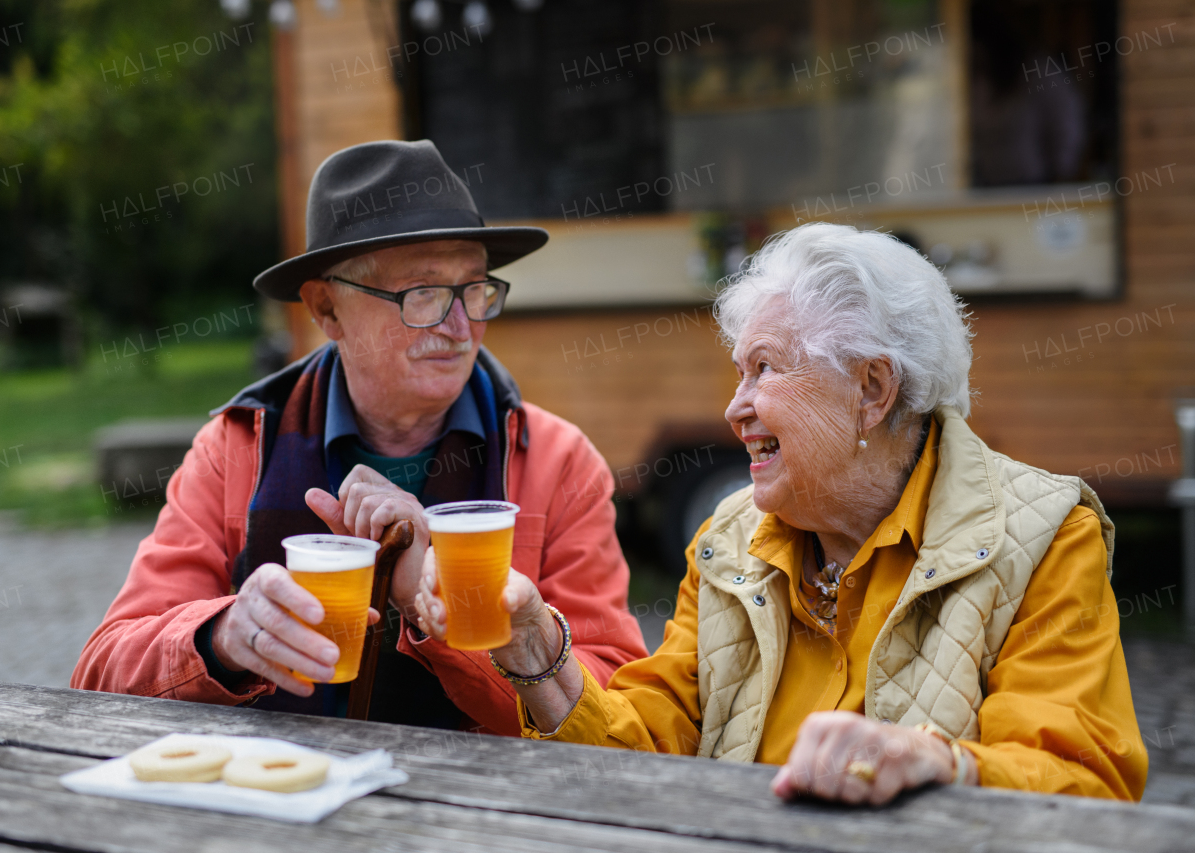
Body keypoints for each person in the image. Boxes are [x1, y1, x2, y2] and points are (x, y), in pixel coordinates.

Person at [412, 222, 1147, 802]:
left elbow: (1085, 784)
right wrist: (538, 650)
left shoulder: (1044, 536)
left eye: (764, 369)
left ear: (872, 389)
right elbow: (641, 756)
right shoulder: (729, 540)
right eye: (740, 372)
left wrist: (939, 762)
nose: (735, 409)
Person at [72, 140, 648, 734]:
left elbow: (618, 705)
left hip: (480, 816)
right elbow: (101, 670)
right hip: (286, 797)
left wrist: (432, 602)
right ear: (327, 310)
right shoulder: (238, 447)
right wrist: (222, 638)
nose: (459, 326)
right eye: (421, 292)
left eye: (474, 289)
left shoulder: (557, 461)